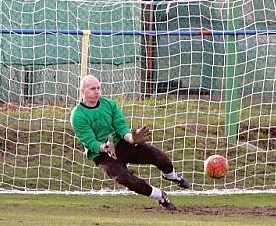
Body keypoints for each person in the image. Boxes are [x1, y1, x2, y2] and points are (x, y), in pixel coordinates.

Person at [70, 74, 190, 210]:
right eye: (92, 88)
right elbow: (90, 141)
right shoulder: (77, 115)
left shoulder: (109, 104)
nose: (97, 91)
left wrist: (132, 138)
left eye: (99, 88)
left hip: (121, 144)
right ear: (82, 91)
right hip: (102, 155)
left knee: (160, 157)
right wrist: (105, 147)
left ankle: (173, 177)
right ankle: (160, 196)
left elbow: (121, 127)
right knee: (126, 179)